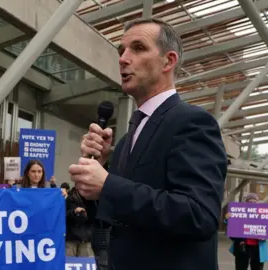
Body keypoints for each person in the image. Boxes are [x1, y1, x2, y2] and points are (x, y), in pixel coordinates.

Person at [69, 18, 227, 270]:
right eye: (121, 51)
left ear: (169, 60)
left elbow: (199, 215)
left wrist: (108, 184)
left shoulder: (193, 122)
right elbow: (115, 215)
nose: (123, 58)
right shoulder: (125, 141)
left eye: (138, 48)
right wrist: (96, 180)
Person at [229, 193, 268, 270]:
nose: (252, 204)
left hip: (258, 247)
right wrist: (229, 218)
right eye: (250, 202)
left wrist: (264, 236)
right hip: (242, 246)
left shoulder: (263, 216)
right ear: (246, 203)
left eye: (255, 202)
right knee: (240, 267)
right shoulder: (239, 214)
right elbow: (231, 232)